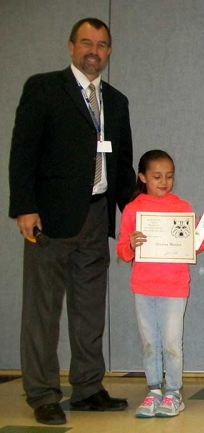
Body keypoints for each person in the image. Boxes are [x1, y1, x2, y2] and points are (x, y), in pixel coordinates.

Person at [8, 18, 135, 425]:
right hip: (50, 218)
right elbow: (22, 152)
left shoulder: (116, 101)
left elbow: (122, 167)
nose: (93, 50)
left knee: (89, 311)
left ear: (109, 51)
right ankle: (43, 393)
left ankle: (87, 388)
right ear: (71, 47)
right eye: (86, 43)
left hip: (97, 216)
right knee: (42, 311)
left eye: (101, 44)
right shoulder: (44, 88)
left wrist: (138, 214)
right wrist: (24, 208)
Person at [116, 150, 204, 418]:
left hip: (174, 286)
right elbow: (122, 250)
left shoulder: (181, 206)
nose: (164, 182)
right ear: (142, 177)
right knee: (150, 342)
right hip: (143, 286)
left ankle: (173, 392)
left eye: (169, 176)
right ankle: (153, 391)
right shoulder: (132, 208)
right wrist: (131, 245)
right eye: (157, 176)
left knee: (172, 342)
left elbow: (193, 246)